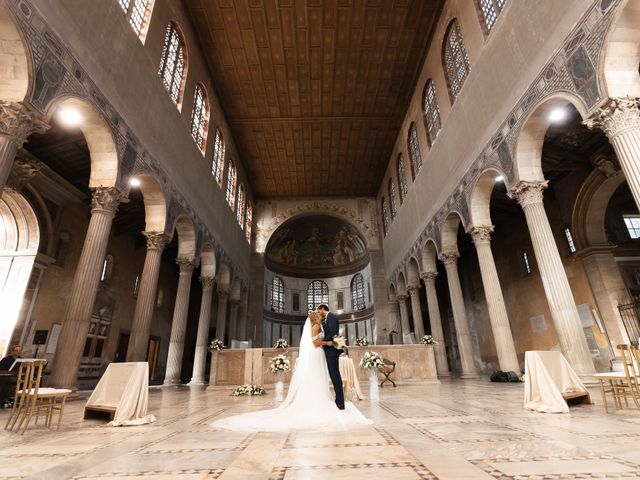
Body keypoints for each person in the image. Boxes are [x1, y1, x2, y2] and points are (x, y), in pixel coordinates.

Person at [211, 311, 370, 431]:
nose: (321, 317)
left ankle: (322, 398)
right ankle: (315, 402)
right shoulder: (315, 327)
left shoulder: (318, 326)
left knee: (319, 378)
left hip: (318, 355)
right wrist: (328, 343)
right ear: (315, 318)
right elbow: (315, 344)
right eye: (319, 315)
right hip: (316, 353)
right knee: (315, 378)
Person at [313, 304, 345, 409]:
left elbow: (332, 332)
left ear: (323, 309)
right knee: (333, 375)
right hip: (328, 350)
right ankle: (338, 400)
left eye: (319, 310)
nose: (318, 312)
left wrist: (323, 342)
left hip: (332, 351)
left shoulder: (331, 317)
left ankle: (340, 402)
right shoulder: (327, 319)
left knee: (335, 376)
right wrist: (324, 343)